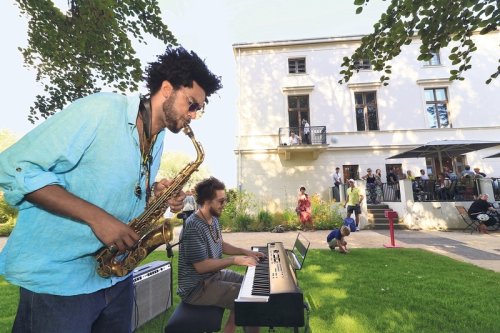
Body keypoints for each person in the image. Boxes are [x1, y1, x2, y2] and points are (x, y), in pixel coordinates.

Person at [0, 46, 222, 333]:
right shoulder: (101, 110)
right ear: (167, 89)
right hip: (60, 283)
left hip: (116, 277)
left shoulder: (157, 138)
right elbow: (15, 167)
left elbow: (115, 188)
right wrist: (98, 218)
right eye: (192, 104)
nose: (194, 115)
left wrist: (155, 194)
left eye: (199, 109)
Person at [177, 177, 263, 333]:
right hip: (195, 288)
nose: (224, 205)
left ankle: (231, 328)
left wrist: (245, 251)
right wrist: (234, 260)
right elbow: (201, 267)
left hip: (212, 277)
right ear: (207, 201)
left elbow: (220, 244)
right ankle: (230, 329)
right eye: (221, 201)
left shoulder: (213, 219)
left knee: (250, 287)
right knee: (247, 298)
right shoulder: (193, 227)